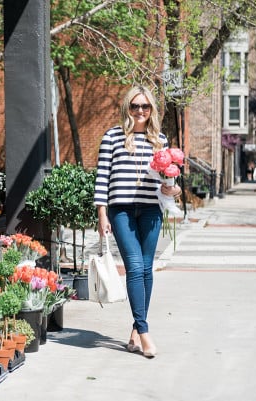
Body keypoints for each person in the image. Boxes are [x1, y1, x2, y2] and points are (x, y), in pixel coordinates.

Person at [94, 85, 181, 358]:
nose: (140, 111)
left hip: (152, 210)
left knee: (146, 268)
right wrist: (102, 215)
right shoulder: (112, 137)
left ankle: (135, 327)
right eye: (135, 106)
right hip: (122, 211)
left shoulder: (160, 140)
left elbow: (171, 184)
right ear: (127, 108)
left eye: (145, 106)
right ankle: (144, 332)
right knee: (133, 266)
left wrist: (173, 190)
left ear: (151, 109)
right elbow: (102, 179)